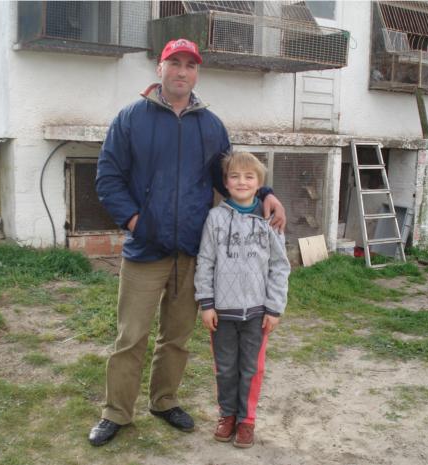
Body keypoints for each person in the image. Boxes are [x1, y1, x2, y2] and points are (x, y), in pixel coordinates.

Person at [89, 38, 286, 447]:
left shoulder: (210, 125)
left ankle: (164, 401)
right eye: (174, 63)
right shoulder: (131, 119)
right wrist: (137, 222)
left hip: (193, 252)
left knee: (176, 338)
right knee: (131, 336)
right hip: (146, 251)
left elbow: (230, 176)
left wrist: (265, 194)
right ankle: (116, 412)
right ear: (159, 68)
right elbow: (108, 177)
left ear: (197, 73)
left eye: (190, 65)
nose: (182, 71)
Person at [195, 151, 291, 448]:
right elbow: (205, 262)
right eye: (234, 176)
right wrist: (206, 303)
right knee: (225, 368)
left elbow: (279, 266)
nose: (241, 182)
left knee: (252, 368)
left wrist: (274, 308)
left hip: (257, 313)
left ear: (259, 183)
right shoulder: (215, 218)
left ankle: (247, 420)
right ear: (225, 182)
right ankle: (227, 415)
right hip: (223, 313)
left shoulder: (269, 220)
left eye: (249, 177)